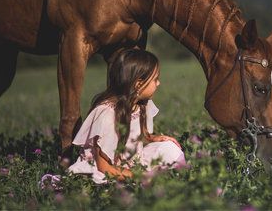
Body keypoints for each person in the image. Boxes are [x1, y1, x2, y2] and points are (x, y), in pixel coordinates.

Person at [67, 48, 185, 184]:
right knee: (101, 179)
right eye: (155, 79)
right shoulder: (107, 115)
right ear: (138, 84)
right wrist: (140, 176)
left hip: (129, 163)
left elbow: (134, 138)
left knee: (170, 148)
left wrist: (153, 138)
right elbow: (103, 167)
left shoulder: (141, 104)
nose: (158, 83)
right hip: (106, 170)